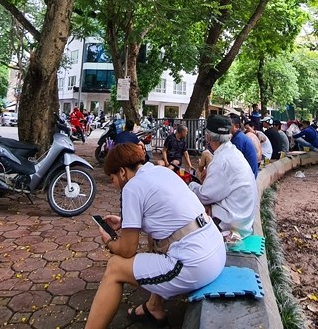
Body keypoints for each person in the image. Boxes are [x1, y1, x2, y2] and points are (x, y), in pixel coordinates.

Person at [85, 143, 225, 329]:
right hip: (215, 250)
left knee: (115, 268)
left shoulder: (131, 187)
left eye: (112, 178)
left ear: (122, 172)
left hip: (196, 264)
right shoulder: (163, 172)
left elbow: (127, 250)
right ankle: (153, 307)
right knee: (156, 240)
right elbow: (168, 216)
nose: (114, 184)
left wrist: (109, 241)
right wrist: (125, 223)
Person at [188, 115, 257, 239]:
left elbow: (205, 195)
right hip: (244, 218)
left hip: (234, 223)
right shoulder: (232, 152)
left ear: (208, 136)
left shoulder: (221, 160)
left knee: (189, 214)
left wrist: (190, 186)